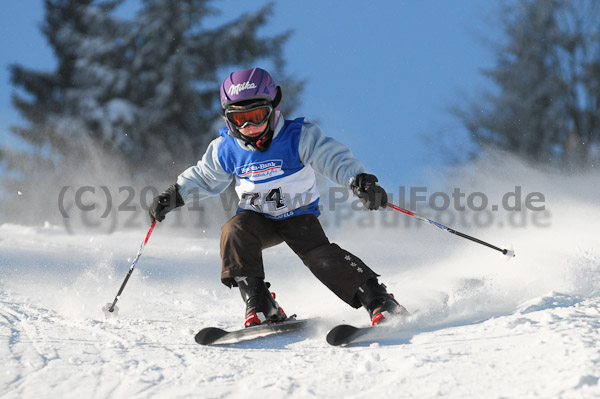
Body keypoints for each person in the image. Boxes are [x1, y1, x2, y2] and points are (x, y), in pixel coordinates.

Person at [149, 67, 408, 327]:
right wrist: (175, 194)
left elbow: (331, 158)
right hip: (257, 217)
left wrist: (358, 180)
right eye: (240, 119)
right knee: (234, 232)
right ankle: (261, 303)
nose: (249, 127)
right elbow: (204, 176)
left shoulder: (297, 137)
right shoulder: (226, 148)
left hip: (298, 216)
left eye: (257, 116)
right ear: (228, 119)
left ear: (274, 106)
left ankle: (379, 300)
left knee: (321, 258)